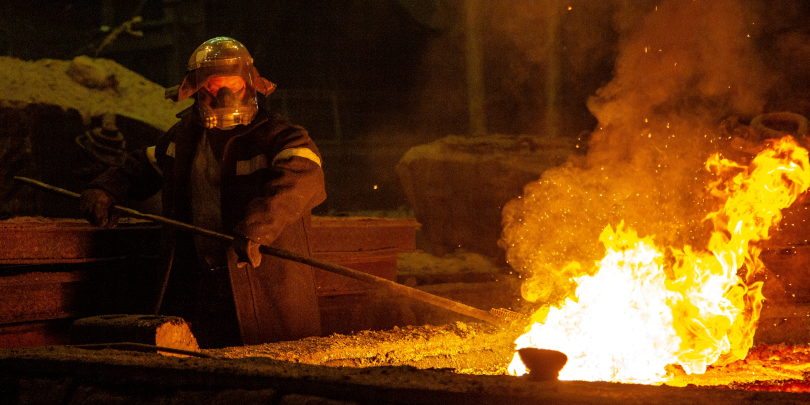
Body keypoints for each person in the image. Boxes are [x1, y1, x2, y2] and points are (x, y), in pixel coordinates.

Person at [80, 37, 326, 348]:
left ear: (250, 85)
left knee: (266, 367)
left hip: (261, 286)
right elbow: (142, 166)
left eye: (232, 85)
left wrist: (258, 228)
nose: (225, 96)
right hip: (201, 285)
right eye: (214, 85)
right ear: (196, 88)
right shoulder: (184, 139)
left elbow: (302, 179)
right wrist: (105, 188)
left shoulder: (281, 136)